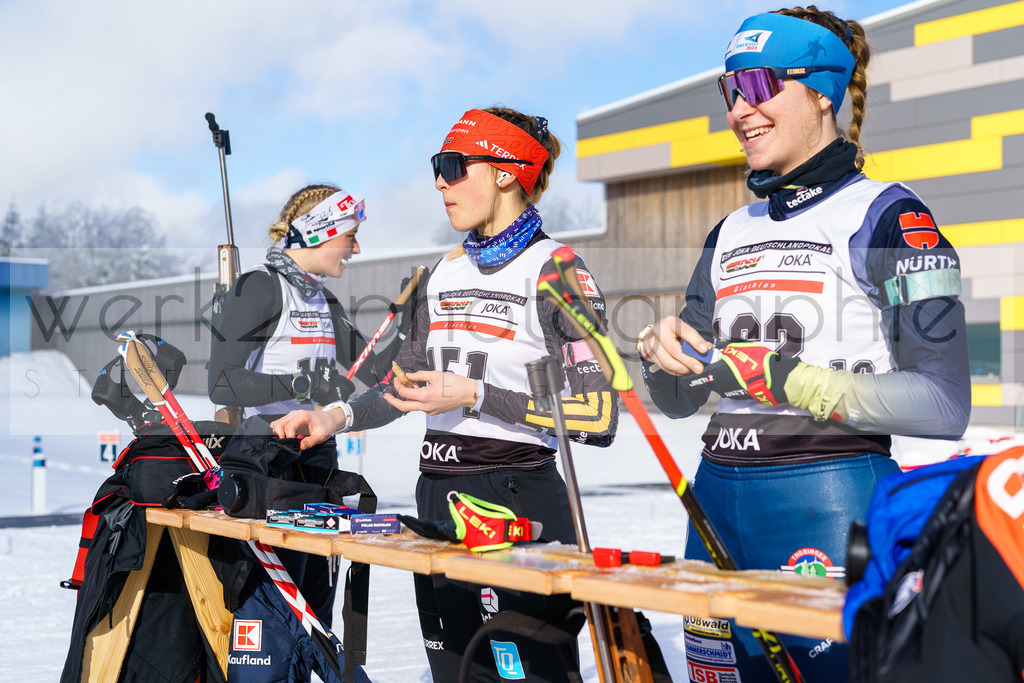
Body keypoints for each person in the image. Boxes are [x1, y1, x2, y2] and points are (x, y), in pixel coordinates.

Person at [636, 7, 970, 682]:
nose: (739, 110)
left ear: (823, 90)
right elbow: (677, 399)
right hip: (715, 507)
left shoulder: (893, 216)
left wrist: (789, 379)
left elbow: (943, 402)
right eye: (730, 91)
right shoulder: (730, 231)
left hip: (828, 504)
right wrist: (661, 353)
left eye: (758, 86)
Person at [271, 107, 618, 682]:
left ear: (507, 171)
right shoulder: (443, 273)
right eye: (438, 167)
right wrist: (334, 416)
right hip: (438, 500)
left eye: (453, 166)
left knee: (528, 675)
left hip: (516, 497)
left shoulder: (556, 270)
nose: (439, 182)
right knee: (457, 674)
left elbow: (597, 413)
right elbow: (402, 385)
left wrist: (476, 394)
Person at [208, 183, 415, 627]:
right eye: (350, 235)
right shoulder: (260, 287)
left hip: (318, 459)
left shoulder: (322, 297)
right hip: (269, 461)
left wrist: (408, 321)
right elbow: (221, 383)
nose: (356, 248)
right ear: (321, 231)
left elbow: (377, 369)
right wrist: (300, 380)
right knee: (277, 614)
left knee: (317, 613)